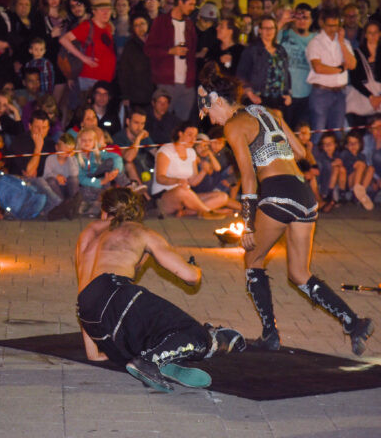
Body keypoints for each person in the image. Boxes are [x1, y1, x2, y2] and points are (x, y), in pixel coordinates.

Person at [198, 61, 374, 356]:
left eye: (207, 110)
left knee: (253, 260)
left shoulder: (232, 125)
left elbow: (249, 177)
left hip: (277, 194)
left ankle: (270, 334)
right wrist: (253, 146)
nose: (207, 117)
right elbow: (302, 152)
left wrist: (248, 223)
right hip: (303, 194)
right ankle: (353, 322)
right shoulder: (270, 112)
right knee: (299, 273)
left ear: (217, 100)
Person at [75, 186, 246, 392]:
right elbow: (190, 277)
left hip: (93, 318)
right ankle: (151, 360)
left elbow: (85, 290)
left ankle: (156, 358)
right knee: (195, 335)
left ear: (105, 211)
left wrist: (92, 352)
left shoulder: (90, 232)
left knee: (149, 332)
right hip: (117, 295)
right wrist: (195, 268)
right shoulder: (141, 232)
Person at [151, 121, 230, 218]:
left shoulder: (191, 152)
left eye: (195, 136)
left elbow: (193, 182)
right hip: (165, 196)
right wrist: (177, 181)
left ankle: (188, 212)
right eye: (190, 135)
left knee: (222, 197)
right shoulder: (166, 150)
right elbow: (160, 178)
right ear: (180, 134)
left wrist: (203, 171)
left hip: (186, 194)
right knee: (181, 191)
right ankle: (207, 212)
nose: (193, 139)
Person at [306, 7, 357, 145]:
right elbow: (318, 68)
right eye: (329, 25)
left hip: (340, 93)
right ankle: (315, 165)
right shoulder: (315, 42)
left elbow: (352, 64)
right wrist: (340, 69)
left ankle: (335, 164)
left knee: (337, 134)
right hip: (321, 93)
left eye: (335, 25)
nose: (332, 29)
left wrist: (340, 42)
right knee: (318, 132)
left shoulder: (344, 42)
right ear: (322, 23)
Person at [144, 0, 197, 121]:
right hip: (166, 82)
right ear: (180, 2)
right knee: (160, 119)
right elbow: (149, 50)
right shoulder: (160, 22)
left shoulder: (189, 25)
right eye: (190, 4)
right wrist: (169, 51)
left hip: (187, 84)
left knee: (182, 123)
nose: (193, 7)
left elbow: (193, 51)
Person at [236, 15, 291, 114]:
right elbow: (241, 74)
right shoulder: (251, 50)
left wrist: (287, 93)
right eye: (265, 28)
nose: (269, 31)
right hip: (257, 99)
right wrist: (249, 93)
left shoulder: (281, 50)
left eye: (271, 28)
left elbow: (286, 73)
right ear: (260, 30)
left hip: (278, 100)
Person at [59, 0, 115, 92]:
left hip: (105, 78)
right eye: (102, 10)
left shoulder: (108, 26)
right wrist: (84, 58)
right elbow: (64, 40)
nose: (106, 13)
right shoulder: (87, 26)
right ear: (94, 11)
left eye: (108, 9)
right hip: (91, 78)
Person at [277, 3, 316, 130]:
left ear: (311, 20)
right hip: (285, 94)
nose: (302, 21)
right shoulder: (284, 34)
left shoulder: (316, 39)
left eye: (305, 18)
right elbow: (267, 42)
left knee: (300, 134)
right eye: (298, 17)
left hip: (307, 95)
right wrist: (282, 21)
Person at [117, 13, 153, 109]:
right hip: (137, 93)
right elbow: (123, 71)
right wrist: (125, 95)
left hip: (155, 91)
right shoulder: (130, 46)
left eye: (142, 24)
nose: (140, 27)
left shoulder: (156, 41)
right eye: (136, 25)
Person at [340, 131, 374, 210]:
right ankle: (356, 191)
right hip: (349, 181)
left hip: (360, 180)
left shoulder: (362, 156)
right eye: (350, 143)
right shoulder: (345, 153)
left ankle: (361, 192)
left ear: (360, 144)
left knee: (371, 168)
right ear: (346, 145)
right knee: (360, 164)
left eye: (356, 143)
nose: (353, 146)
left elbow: (365, 170)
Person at [43, 132, 80, 201]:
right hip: (56, 188)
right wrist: (56, 176)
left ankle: (73, 202)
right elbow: (46, 175)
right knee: (50, 181)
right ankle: (61, 203)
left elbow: (74, 174)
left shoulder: (73, 159)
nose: (63, 154)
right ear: (56, 147)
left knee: (74, 180)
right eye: (61, 151)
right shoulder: (50, 158)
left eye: (67, 152)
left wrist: (70, 158)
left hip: (69, 187)